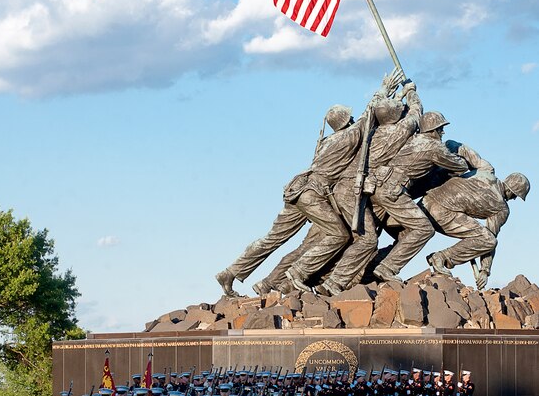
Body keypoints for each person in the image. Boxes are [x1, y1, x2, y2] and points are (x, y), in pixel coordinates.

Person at [216, 70, 404, 297]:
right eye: (350, 118)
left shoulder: (328, 140)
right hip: (313, 194)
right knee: (339, 235)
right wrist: (385, 89)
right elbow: (368, 116)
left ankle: (231, 272)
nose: (354, 120)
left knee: (272, 239)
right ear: (347, 122)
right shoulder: (349, 136)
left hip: (298, 190)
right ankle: (298, 273)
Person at [370, 111, 468, 281]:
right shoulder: (434, 147)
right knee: (424, 229)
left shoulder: (413, 140)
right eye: (440, 129)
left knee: (404, 233)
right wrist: (460, 152)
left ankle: (374, 263)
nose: (442, 133)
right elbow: (460, 167)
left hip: (377, 186)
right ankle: (386, 268)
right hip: (393, 189)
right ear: (432, 130)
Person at [422, 143, 530, 290]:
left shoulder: (485, 169)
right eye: (516, 196)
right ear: (512, 192)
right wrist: (485, 270)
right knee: (488, 240)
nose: (514, 199)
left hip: (426, 201)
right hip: (443, 212)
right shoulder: (501, 208)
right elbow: (488, 241)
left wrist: (445, 149)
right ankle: (441, 258)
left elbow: (460, 147)